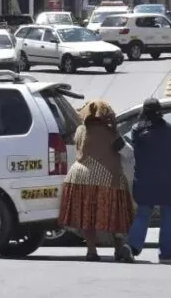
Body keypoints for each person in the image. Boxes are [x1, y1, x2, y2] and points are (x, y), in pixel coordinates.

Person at [57, 99, 135, 263]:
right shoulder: (111, 134)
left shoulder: (80, 131)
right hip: (108, 179)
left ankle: (91, 251)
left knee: (87, 216)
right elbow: (128, 153)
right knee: (116, 216)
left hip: (78, 177)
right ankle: (119, 249)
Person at [126, 98, 171, 265]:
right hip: (168, 179)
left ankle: (132, 247)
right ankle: (167, 254)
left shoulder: (137, 131)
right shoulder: (167, 129)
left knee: (143, 214)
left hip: (145, 179)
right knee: (168, 216)